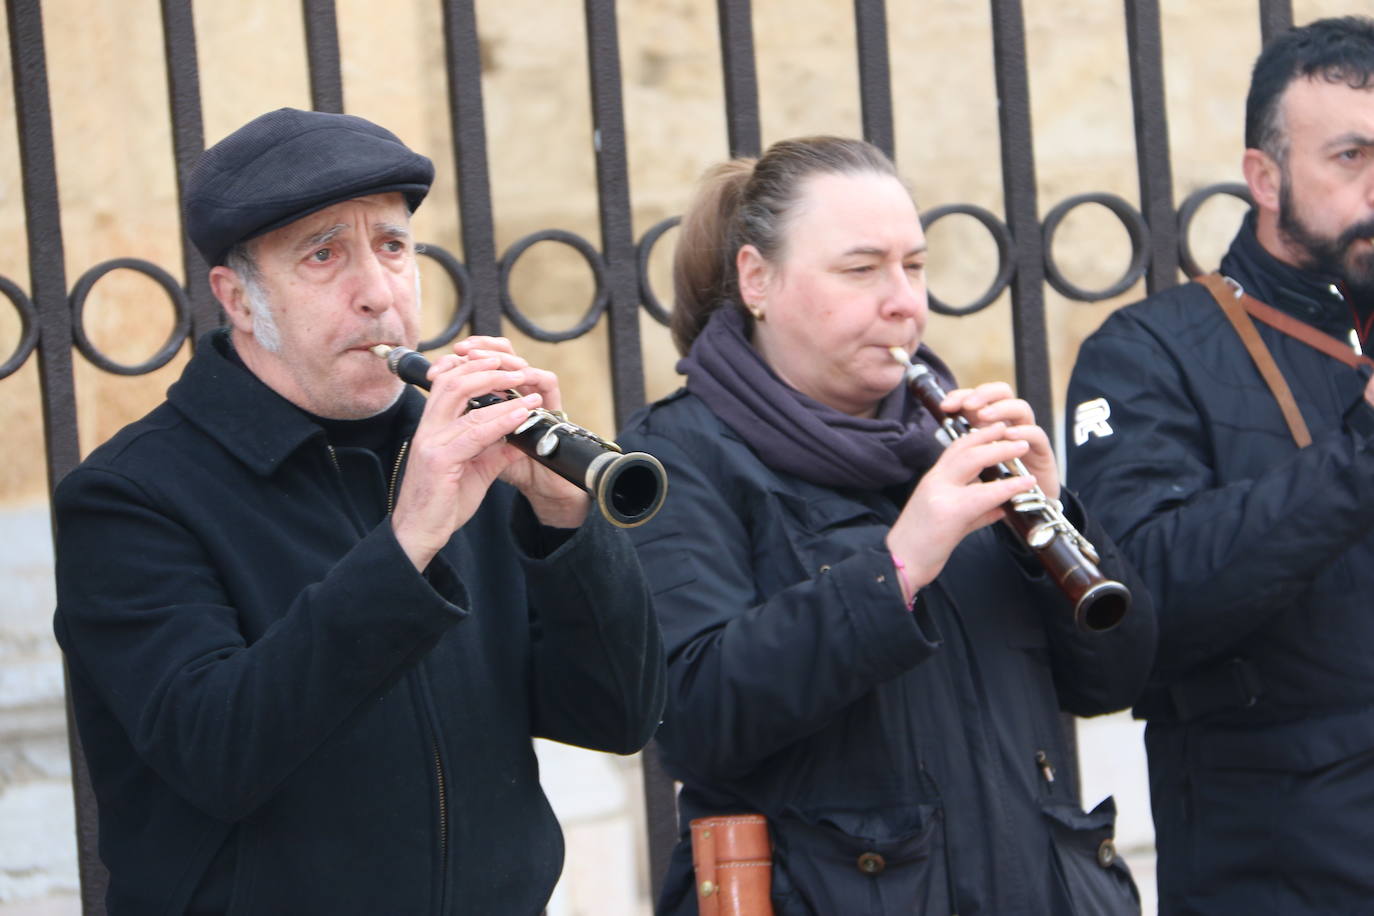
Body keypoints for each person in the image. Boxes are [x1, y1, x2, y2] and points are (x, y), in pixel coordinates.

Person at [51, 107, 665, 914]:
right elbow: (216, 754)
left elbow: (619, 715)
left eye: (392, 246)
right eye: (323, 254)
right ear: (239, 300)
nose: (378, 294)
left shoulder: (460, 446)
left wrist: (565, 527)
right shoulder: (131, 497)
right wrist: (406, 543)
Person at [617, 136, 1157, 915]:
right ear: (757, 279)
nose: (903, 300)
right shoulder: (676, 456)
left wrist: (1055, 521)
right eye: (861, 269)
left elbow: (1113, 679)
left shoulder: (951, 443)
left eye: (915, 265)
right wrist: (896, 567)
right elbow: (695, 717)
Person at [1066, 16, 1374, 914]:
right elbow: (1142, 596)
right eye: (1350, 159)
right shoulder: (1148, 354)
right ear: (1264, 179)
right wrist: (1360, 454)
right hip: (1282, 876)